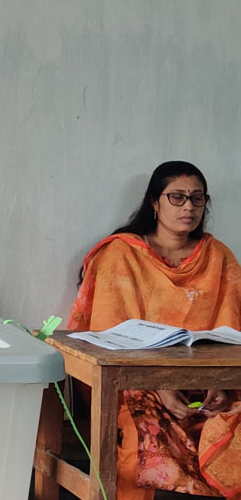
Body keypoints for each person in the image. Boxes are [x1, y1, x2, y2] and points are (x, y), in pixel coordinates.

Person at [67, 161, 241, 499]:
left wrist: (222, 384)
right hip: (134, 384)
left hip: (207, 382)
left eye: (197, 198)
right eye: (176, 197)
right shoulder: (121, 255)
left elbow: (232, 330)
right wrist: (158, 385)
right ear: (154, 202)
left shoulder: (219, 257)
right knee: (142, 435)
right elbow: (109, 336)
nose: (188, 206)